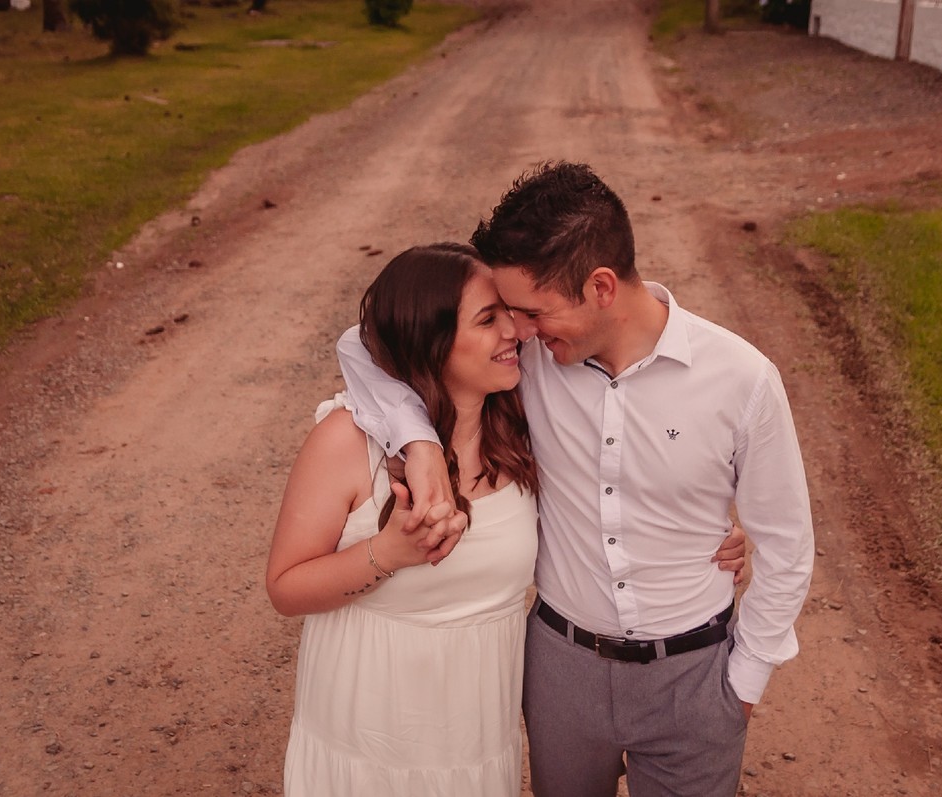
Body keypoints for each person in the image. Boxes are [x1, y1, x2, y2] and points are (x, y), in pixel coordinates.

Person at [336, 162, 815, 797]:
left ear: (601, 287)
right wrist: (420, 444)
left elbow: (787, 546)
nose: (518, 330)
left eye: (533, 312)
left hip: (696, 676)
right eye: (509, 313)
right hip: (561, 672)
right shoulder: (528, 362)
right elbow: (360, 342)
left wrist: (744, 683)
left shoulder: (742, 379)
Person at [266, 243, 540, 796]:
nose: (513, 331)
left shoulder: (524, 427)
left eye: (508, 313)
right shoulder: (348, 442)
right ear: (430, 341)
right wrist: (387, 554)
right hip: (366, 741)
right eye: (488, 320)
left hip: (475, 743)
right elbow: (285, 588)